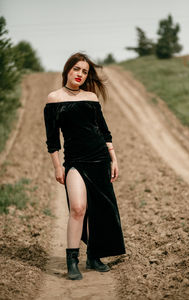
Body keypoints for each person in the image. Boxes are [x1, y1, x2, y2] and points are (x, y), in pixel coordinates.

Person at [43, 52, 126, 280]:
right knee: (78, 208)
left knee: (99, 210)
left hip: (100, 158)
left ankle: (94, 256)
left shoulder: (91, 97)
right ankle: (72, 261)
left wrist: (114, 158)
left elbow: (104, 131)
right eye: (76, 69)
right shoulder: (54, 99)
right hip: (75, 162)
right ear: (67, 70)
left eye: (85, 71)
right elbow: (52, 140)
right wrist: (57, 167)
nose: (80, 74)